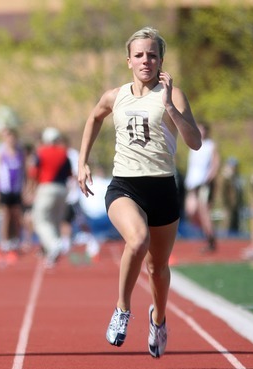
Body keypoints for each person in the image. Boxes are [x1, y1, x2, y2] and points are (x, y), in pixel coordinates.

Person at [77, 27, 201, 358]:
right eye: (139, 54)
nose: (146, 60)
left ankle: (158, 319)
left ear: (161, 60)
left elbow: (195, 142)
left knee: (157, 269)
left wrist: (171, 109)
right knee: (137, 239)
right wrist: (82, 162)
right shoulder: (114, 96)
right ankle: (122, 309)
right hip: (125, 185)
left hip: (161, 187)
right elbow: (94, 117)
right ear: (128, 59)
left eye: (152, 54)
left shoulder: (172, 94)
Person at [30, 127, 71, 268]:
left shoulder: (41, 152)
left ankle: (54, 245)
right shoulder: (65, 153)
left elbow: (34, 172)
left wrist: (31, 189)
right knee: (55, 221)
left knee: (39, 220)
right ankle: (52, 253)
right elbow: (69, 173)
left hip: (46, 188)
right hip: (62, 189)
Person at [60, 135, 100, 259]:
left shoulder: (72, 155)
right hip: (64, 193)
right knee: (65, 219)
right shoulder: (60, 155)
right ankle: (66, 242)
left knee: (80, 219)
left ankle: (91, 240)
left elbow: (77, 172)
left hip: (74, 194)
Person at [0, 127, 26, 253]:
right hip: (4, 189)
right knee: (5, 215)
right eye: (8, 137)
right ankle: (4, 241)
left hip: (16, 189)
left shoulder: (20, 154)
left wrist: (25, 189)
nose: (11, 140)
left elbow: (24, 172)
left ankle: (15, 240)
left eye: (13, 137)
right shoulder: (0, 154)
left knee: (16, 215)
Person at [184, 123, 220, 252]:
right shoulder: (193, 145)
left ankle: (210, 240)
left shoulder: (210, 145)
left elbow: (216, 164)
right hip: (192, 184)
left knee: (204, 212)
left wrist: (208, 179)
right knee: (191, 211)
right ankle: (206, 232)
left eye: (201, 129)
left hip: (204, 183)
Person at [221, 157, 244, 235]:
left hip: (236, 206)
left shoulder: (237, 177)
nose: (234, 168)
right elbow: (222, 193)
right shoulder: (225, 178)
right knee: (227, 225)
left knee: (236, 226)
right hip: (227, 206)